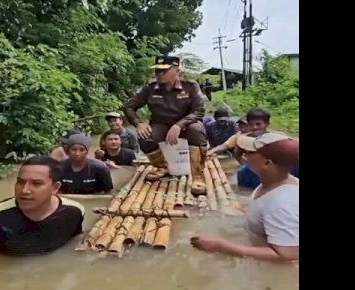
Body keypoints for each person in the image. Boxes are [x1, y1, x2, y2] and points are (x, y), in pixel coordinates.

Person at [191, 132, 299, 262]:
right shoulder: (272, 184)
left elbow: (288, 255)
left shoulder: (281, 204)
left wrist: (221, 246)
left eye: (250, 152)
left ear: (267, 163)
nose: (245, 154)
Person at [124, 55, 208, 195]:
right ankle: (162, 167)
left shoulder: (190, 86)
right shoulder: (149, 88)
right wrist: (139, 123)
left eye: (165, 70)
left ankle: (198, 176)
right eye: (157, 70)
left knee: (197, 130)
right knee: (146, 136)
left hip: (186, 123)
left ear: (177, 70)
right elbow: (129, 107)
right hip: (160, 123)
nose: (160, 73)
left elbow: (199, 110)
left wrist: (179, 125)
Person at [0, 156, 85, 255]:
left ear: (55, 188)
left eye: (36, 183)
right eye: (20, 182)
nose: (25, 190)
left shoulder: (74, 211)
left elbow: (74, 244)